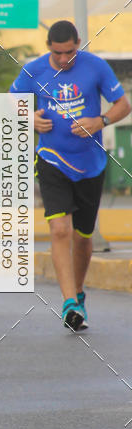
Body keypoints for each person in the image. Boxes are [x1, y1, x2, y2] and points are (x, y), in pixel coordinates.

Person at [10, 19, 130, 331]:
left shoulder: (96, 67)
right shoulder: (34, 70)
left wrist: (100, 121)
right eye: (57, 53)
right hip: (51, 158)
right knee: (60, 229)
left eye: (70, 52)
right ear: (48, 48)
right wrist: (29, 117)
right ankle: (68, 303)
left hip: (91, 163)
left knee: (83, 237)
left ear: (78, 43)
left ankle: (78, 292)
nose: (64, 59)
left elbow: (123, 105)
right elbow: (13, 102)